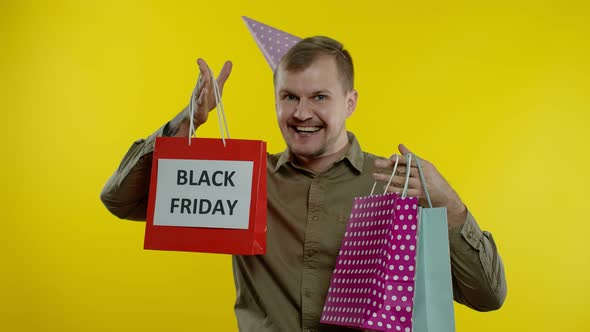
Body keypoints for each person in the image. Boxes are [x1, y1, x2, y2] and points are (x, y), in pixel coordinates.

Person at [101, 36, 506, 331]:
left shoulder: (398, 188)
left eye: (320, 97)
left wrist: (447, 205)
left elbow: (488, 296)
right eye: (289, 97)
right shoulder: (242, 179)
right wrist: (186, 124)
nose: (301, 112)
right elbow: (120, 199)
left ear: (350, 102)